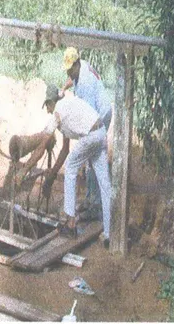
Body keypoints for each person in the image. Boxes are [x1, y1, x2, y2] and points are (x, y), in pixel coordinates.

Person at [22, 84, 112, 243]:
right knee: (104, 184)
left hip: (91, 136)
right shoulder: (67, 106)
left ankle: (71, 225)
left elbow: (42, 147)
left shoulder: (58, 112)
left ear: (51, 102)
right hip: (101, 132)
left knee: (70, 168)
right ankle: (109, 234)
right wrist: (52, 174)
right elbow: (64, 150)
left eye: (47, 106)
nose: (48, 111)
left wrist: (24, 170)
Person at [60, 47, 112, 220]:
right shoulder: (81, 66)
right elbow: (71, 79)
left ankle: (95, 205)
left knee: (92, 160)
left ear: (76, 63)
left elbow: (86, 121)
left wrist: (82, 155)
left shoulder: (85, 84)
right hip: (97, 112)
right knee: (90, 159)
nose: (69, 72)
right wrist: (63, 88)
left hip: (100, 115)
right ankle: (91, 199)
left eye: (70, 68)